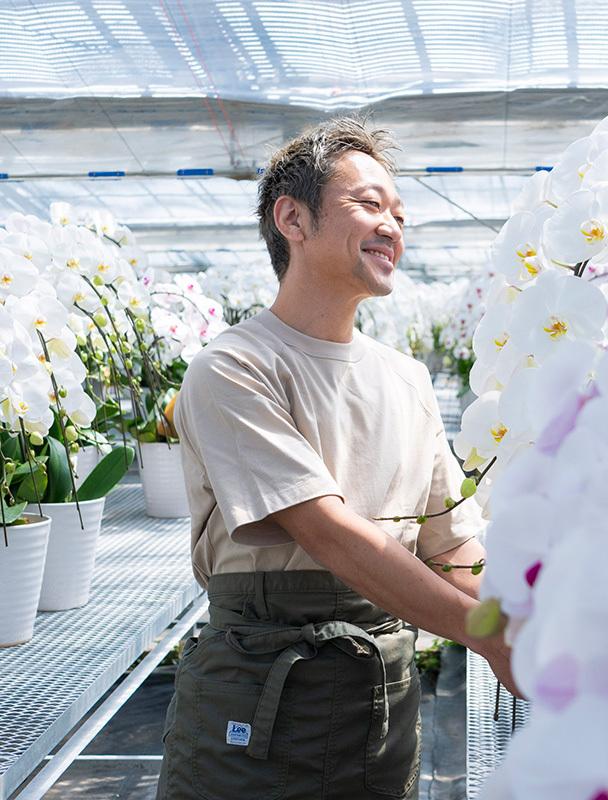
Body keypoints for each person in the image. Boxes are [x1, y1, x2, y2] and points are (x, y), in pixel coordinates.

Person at [156, 116, 516, 800]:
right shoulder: (234, 367)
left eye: (400, 214)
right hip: (262, 697)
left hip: (380, 698)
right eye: (370, 204)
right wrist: (487, 636)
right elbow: (326, 532)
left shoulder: (405, 378)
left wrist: (525, 614)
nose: (393, 228)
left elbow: (451, 547)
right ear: (292, 217)